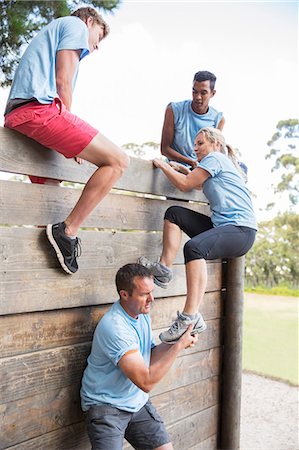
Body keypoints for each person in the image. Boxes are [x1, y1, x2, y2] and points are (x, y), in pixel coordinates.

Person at [4, 7, 129, 275]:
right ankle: (67, 231)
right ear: (90, 21)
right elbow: (63, 81)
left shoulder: (53, 34)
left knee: (51, 190)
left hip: (19, 114)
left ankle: (40, 261)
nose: (96, 46)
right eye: (99, 36)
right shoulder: (76, 26)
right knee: (119, 161)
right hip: (37, 110)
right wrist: (68, 129)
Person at [138, 127, 257, 344]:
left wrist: (164, 165)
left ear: (216, 144)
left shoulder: (215, 158)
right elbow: (199, 182)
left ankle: (189, 316)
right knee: (174, 214)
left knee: (193, 248)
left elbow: (186, 185)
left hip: (241, 230)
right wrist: (181, 168)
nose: (195, 149)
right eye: (195, 145)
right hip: (223, 226)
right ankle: (163, 269)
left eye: (200, 143)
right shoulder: (218, 164)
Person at [80, 263, 197, 450]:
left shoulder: (141, 314)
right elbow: (146, 382)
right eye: (144, 294)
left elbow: (150, 354)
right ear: (124, 294)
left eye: (151, 292)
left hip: (135, 402)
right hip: (106, 405)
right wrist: (178, 348)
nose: (151, 299)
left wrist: (177, 341)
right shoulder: (115, 327)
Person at [160, 70, 225, 171]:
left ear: (212, 93)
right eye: (195, 91)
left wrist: (198, 168)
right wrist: (190, 162)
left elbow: (214, 153)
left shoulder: (218, 119)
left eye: (203, 93)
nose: (198, 97)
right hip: (173, 168)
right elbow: (165, 149)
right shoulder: (173, 110)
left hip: (200, 171)